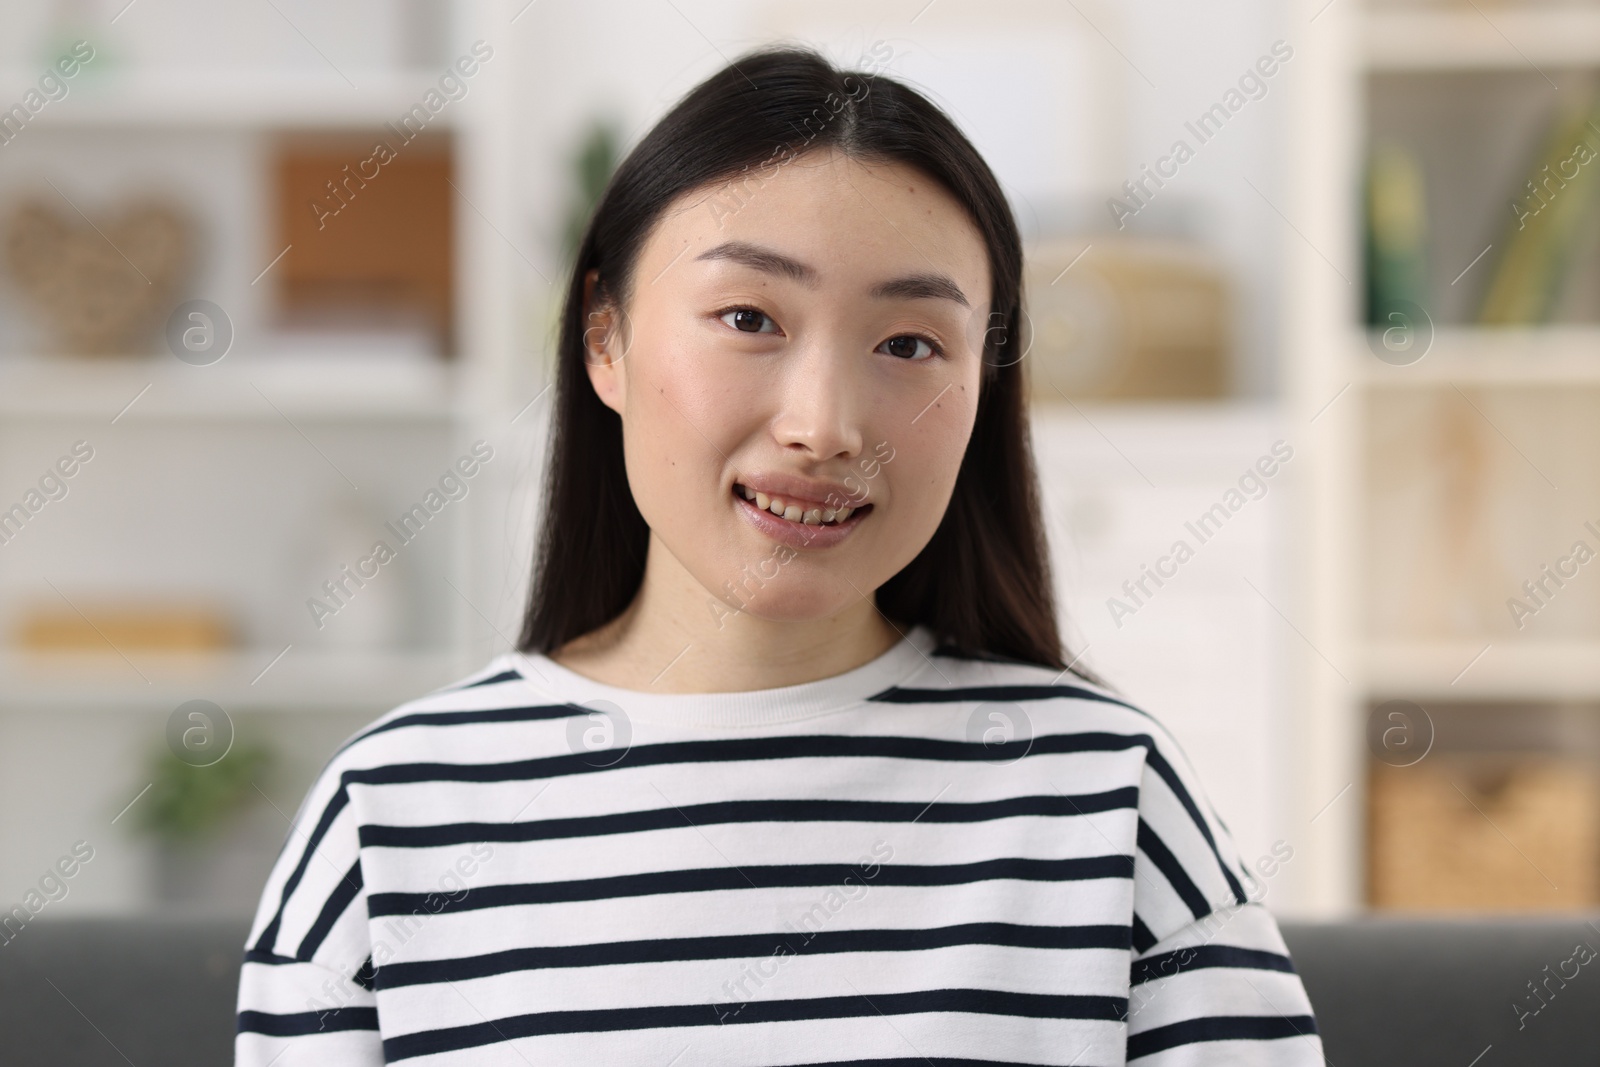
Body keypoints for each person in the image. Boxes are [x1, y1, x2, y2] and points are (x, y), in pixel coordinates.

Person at [235, 44, 1322, 1065]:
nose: (825, 424)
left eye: (909, 344)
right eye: (750, 315)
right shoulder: (391, 818)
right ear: (603, 339)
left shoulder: (1107, 797)